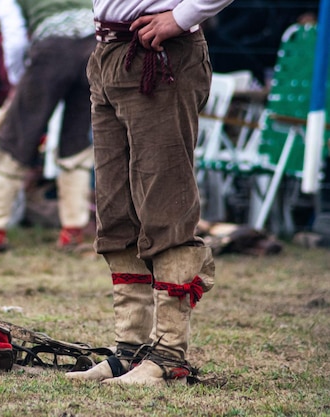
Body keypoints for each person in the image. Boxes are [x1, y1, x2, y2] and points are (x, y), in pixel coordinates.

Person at [63, 0, 233, 386]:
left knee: (165, 206)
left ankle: (168, 355)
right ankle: (131, 350)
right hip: (109, 51)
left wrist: (183, 16)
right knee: (115, 210)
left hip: (159, 53)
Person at [0, 0, 96, 251]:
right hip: (93, 48)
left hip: (52, 50)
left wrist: (18, 79)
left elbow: (15, 33)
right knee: (76, 142)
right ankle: (73, 231)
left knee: (13, 140)